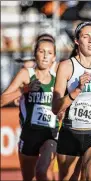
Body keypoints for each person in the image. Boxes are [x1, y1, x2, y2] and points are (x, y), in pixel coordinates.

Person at [52, 22, 91, 181]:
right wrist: (77, 89)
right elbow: (56, 108)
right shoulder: (66, 67)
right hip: (70, 132)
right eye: (86, 36)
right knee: (68, 178)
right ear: (77, 40)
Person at [1, 39, 59, 181]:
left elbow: (66, 102)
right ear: (35, 55)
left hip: (50, 134)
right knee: (29, 178)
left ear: (54, 58)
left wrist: (62, 109)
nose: (45, 56)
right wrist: (24, 89)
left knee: (42, 171)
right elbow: (2, 100)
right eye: (41, 52)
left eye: (49, 53)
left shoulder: (58, 78)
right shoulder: (26, 74)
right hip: (28, 135)